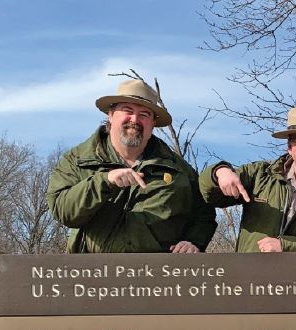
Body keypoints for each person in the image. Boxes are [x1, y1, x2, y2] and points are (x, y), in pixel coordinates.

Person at [48, 79, 216, 253]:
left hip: (158, 275)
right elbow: (63, 210)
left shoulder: (179, 169)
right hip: (92, 274)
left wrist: (193, 241)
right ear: (111, 115)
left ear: (152, 124)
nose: (135, 119)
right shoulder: (77, 160)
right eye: (127, 111)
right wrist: (104, 181)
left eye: (144, 114)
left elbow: (204, 214)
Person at [199, 105, 296, 252]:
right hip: (251, 276)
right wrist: (219, 171)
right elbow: (210, 196)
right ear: (289, 147)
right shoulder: (259, 175)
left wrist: (287, 246)